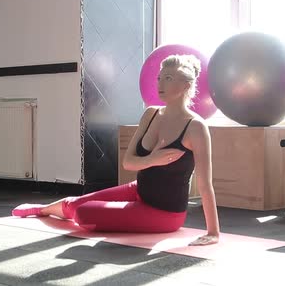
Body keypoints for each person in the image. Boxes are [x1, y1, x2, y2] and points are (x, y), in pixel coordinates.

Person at [12, 54, 220, 246]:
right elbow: (128, 162)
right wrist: (153, 159)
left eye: (168, 78)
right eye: (159, 78)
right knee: (75, 203)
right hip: (138, 189)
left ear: (186, 85)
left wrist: (213, 233)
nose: (160, 83)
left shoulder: (196, 127)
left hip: (164, 212)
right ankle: (41, 210)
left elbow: (205, 184)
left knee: (84, 213)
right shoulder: (151, 114)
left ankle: (54, 211)